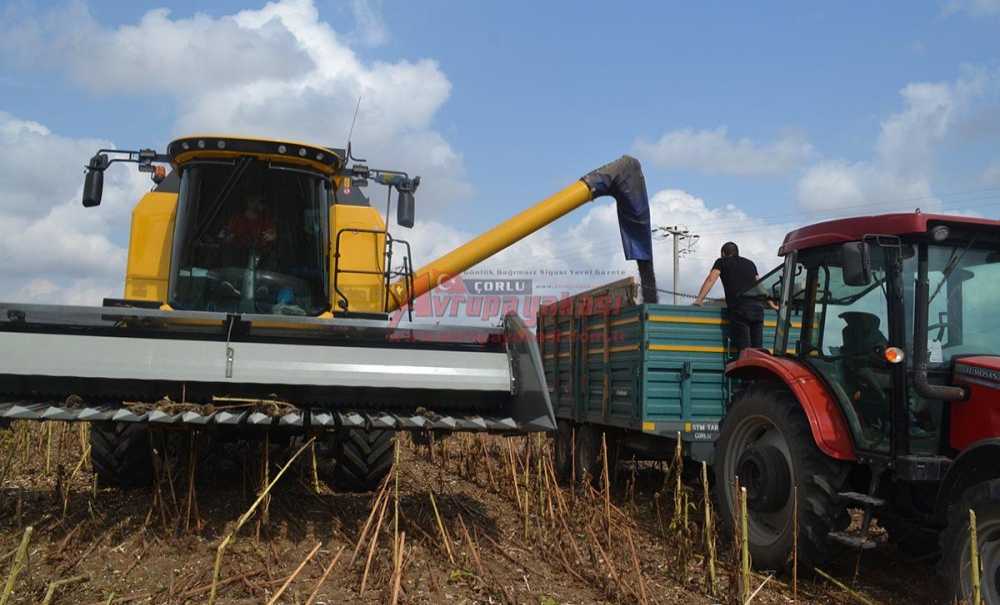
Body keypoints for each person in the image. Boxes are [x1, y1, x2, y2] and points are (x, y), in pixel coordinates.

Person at [692, 242, 764, 352]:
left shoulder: (721, 262)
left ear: (723, 253)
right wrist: (772, 303)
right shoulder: (750, 263)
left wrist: (699, 300)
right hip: (758, 309)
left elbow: (711, 279)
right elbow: (759, 285)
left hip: (740, 309)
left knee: (745, 350)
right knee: (758, 350)